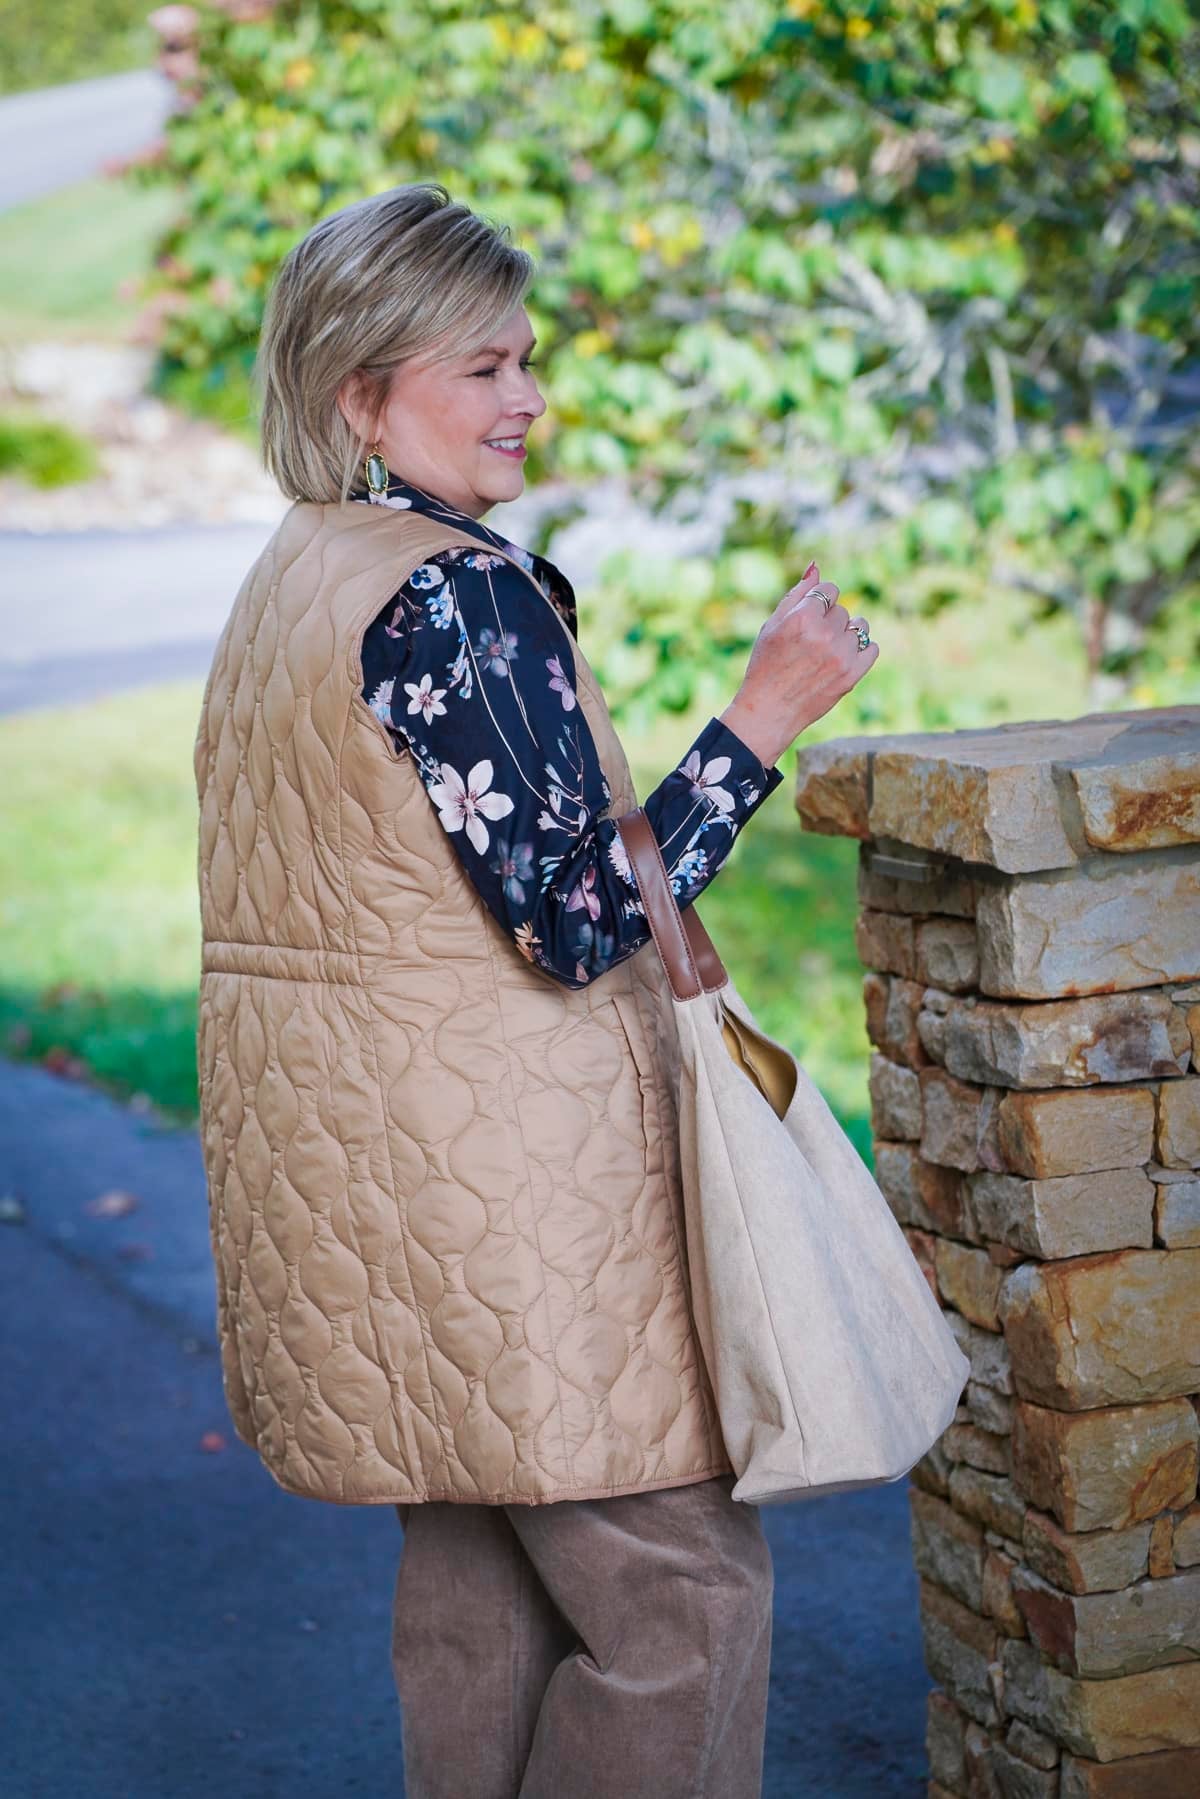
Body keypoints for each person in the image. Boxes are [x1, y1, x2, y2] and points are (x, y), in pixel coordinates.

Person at [193, 181, 879, 1799]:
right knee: (680, 1600)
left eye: (526, 361)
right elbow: (579, 919)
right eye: (481, 368)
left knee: (478, 1598)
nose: (528, 400)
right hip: (512, 1197)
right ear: (360, 392)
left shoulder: (300, 573)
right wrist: (762, 717)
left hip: (372, 1188)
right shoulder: (452, 595)